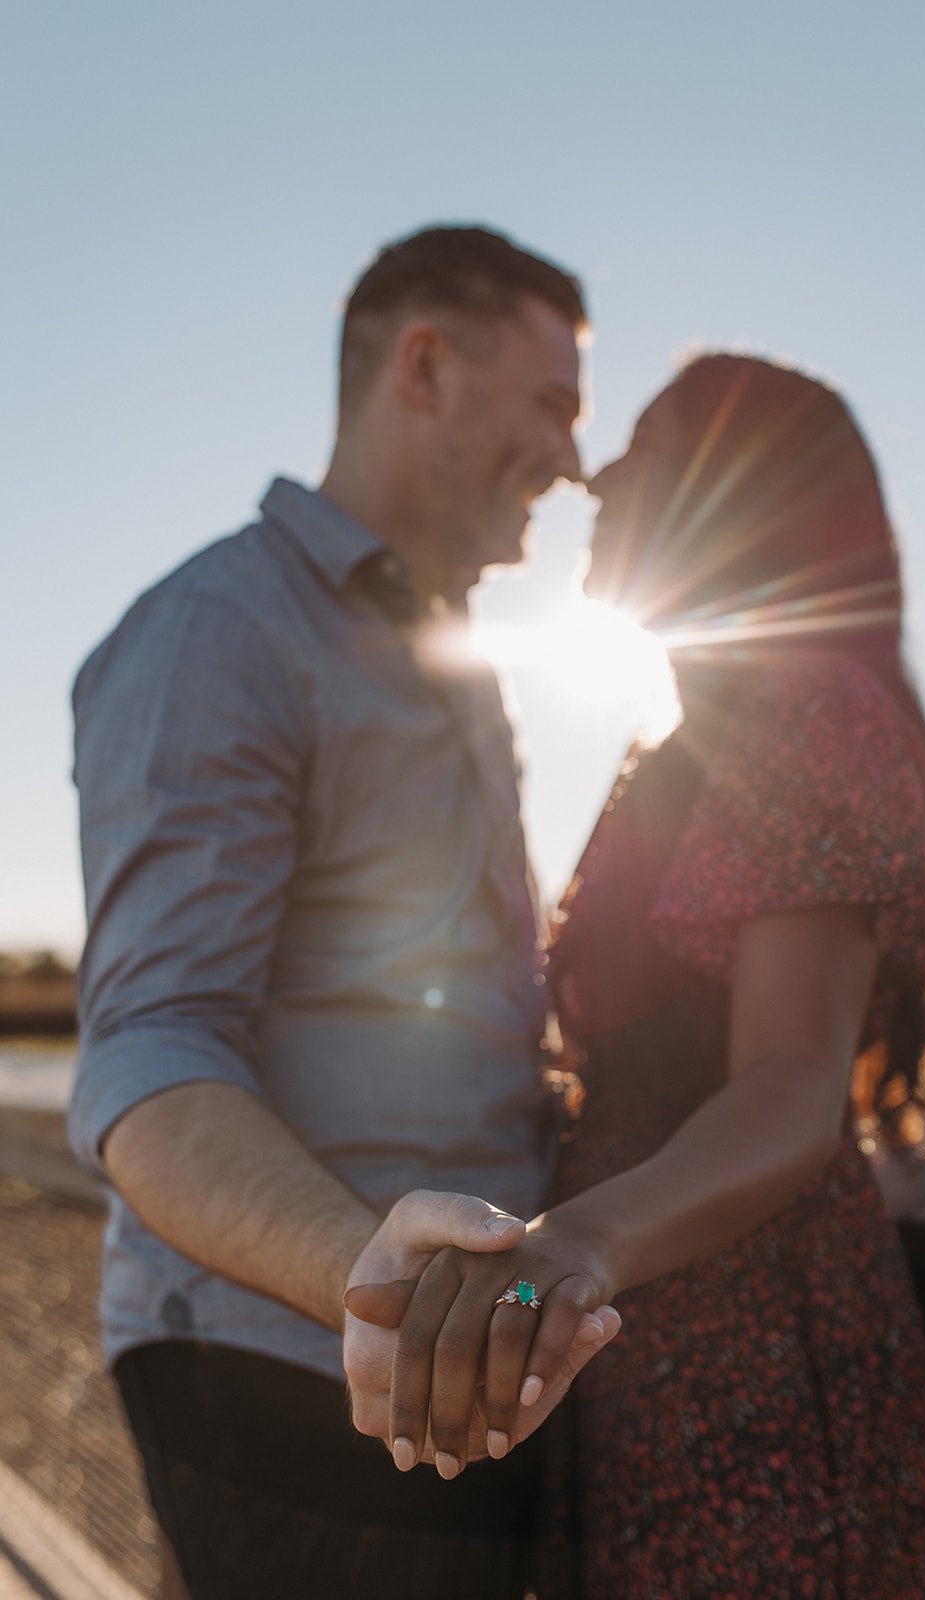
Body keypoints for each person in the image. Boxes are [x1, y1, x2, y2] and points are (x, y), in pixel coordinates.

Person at [348, 354, 925, 1597]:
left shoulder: (814, 710)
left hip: (759, 1355)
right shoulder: (686, 742)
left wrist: (570, 1242)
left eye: (644, 445)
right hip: (651, 1334)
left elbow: (793, 1084)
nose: (599, 471)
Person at [68, 224, 621, 1600]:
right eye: (552, 401)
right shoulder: (221, 631)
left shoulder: (470, 672)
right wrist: (361, 1278)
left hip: (463, 1351)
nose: (572, 459)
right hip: (284, 1363)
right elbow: (149, 1052)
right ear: (422, 366)